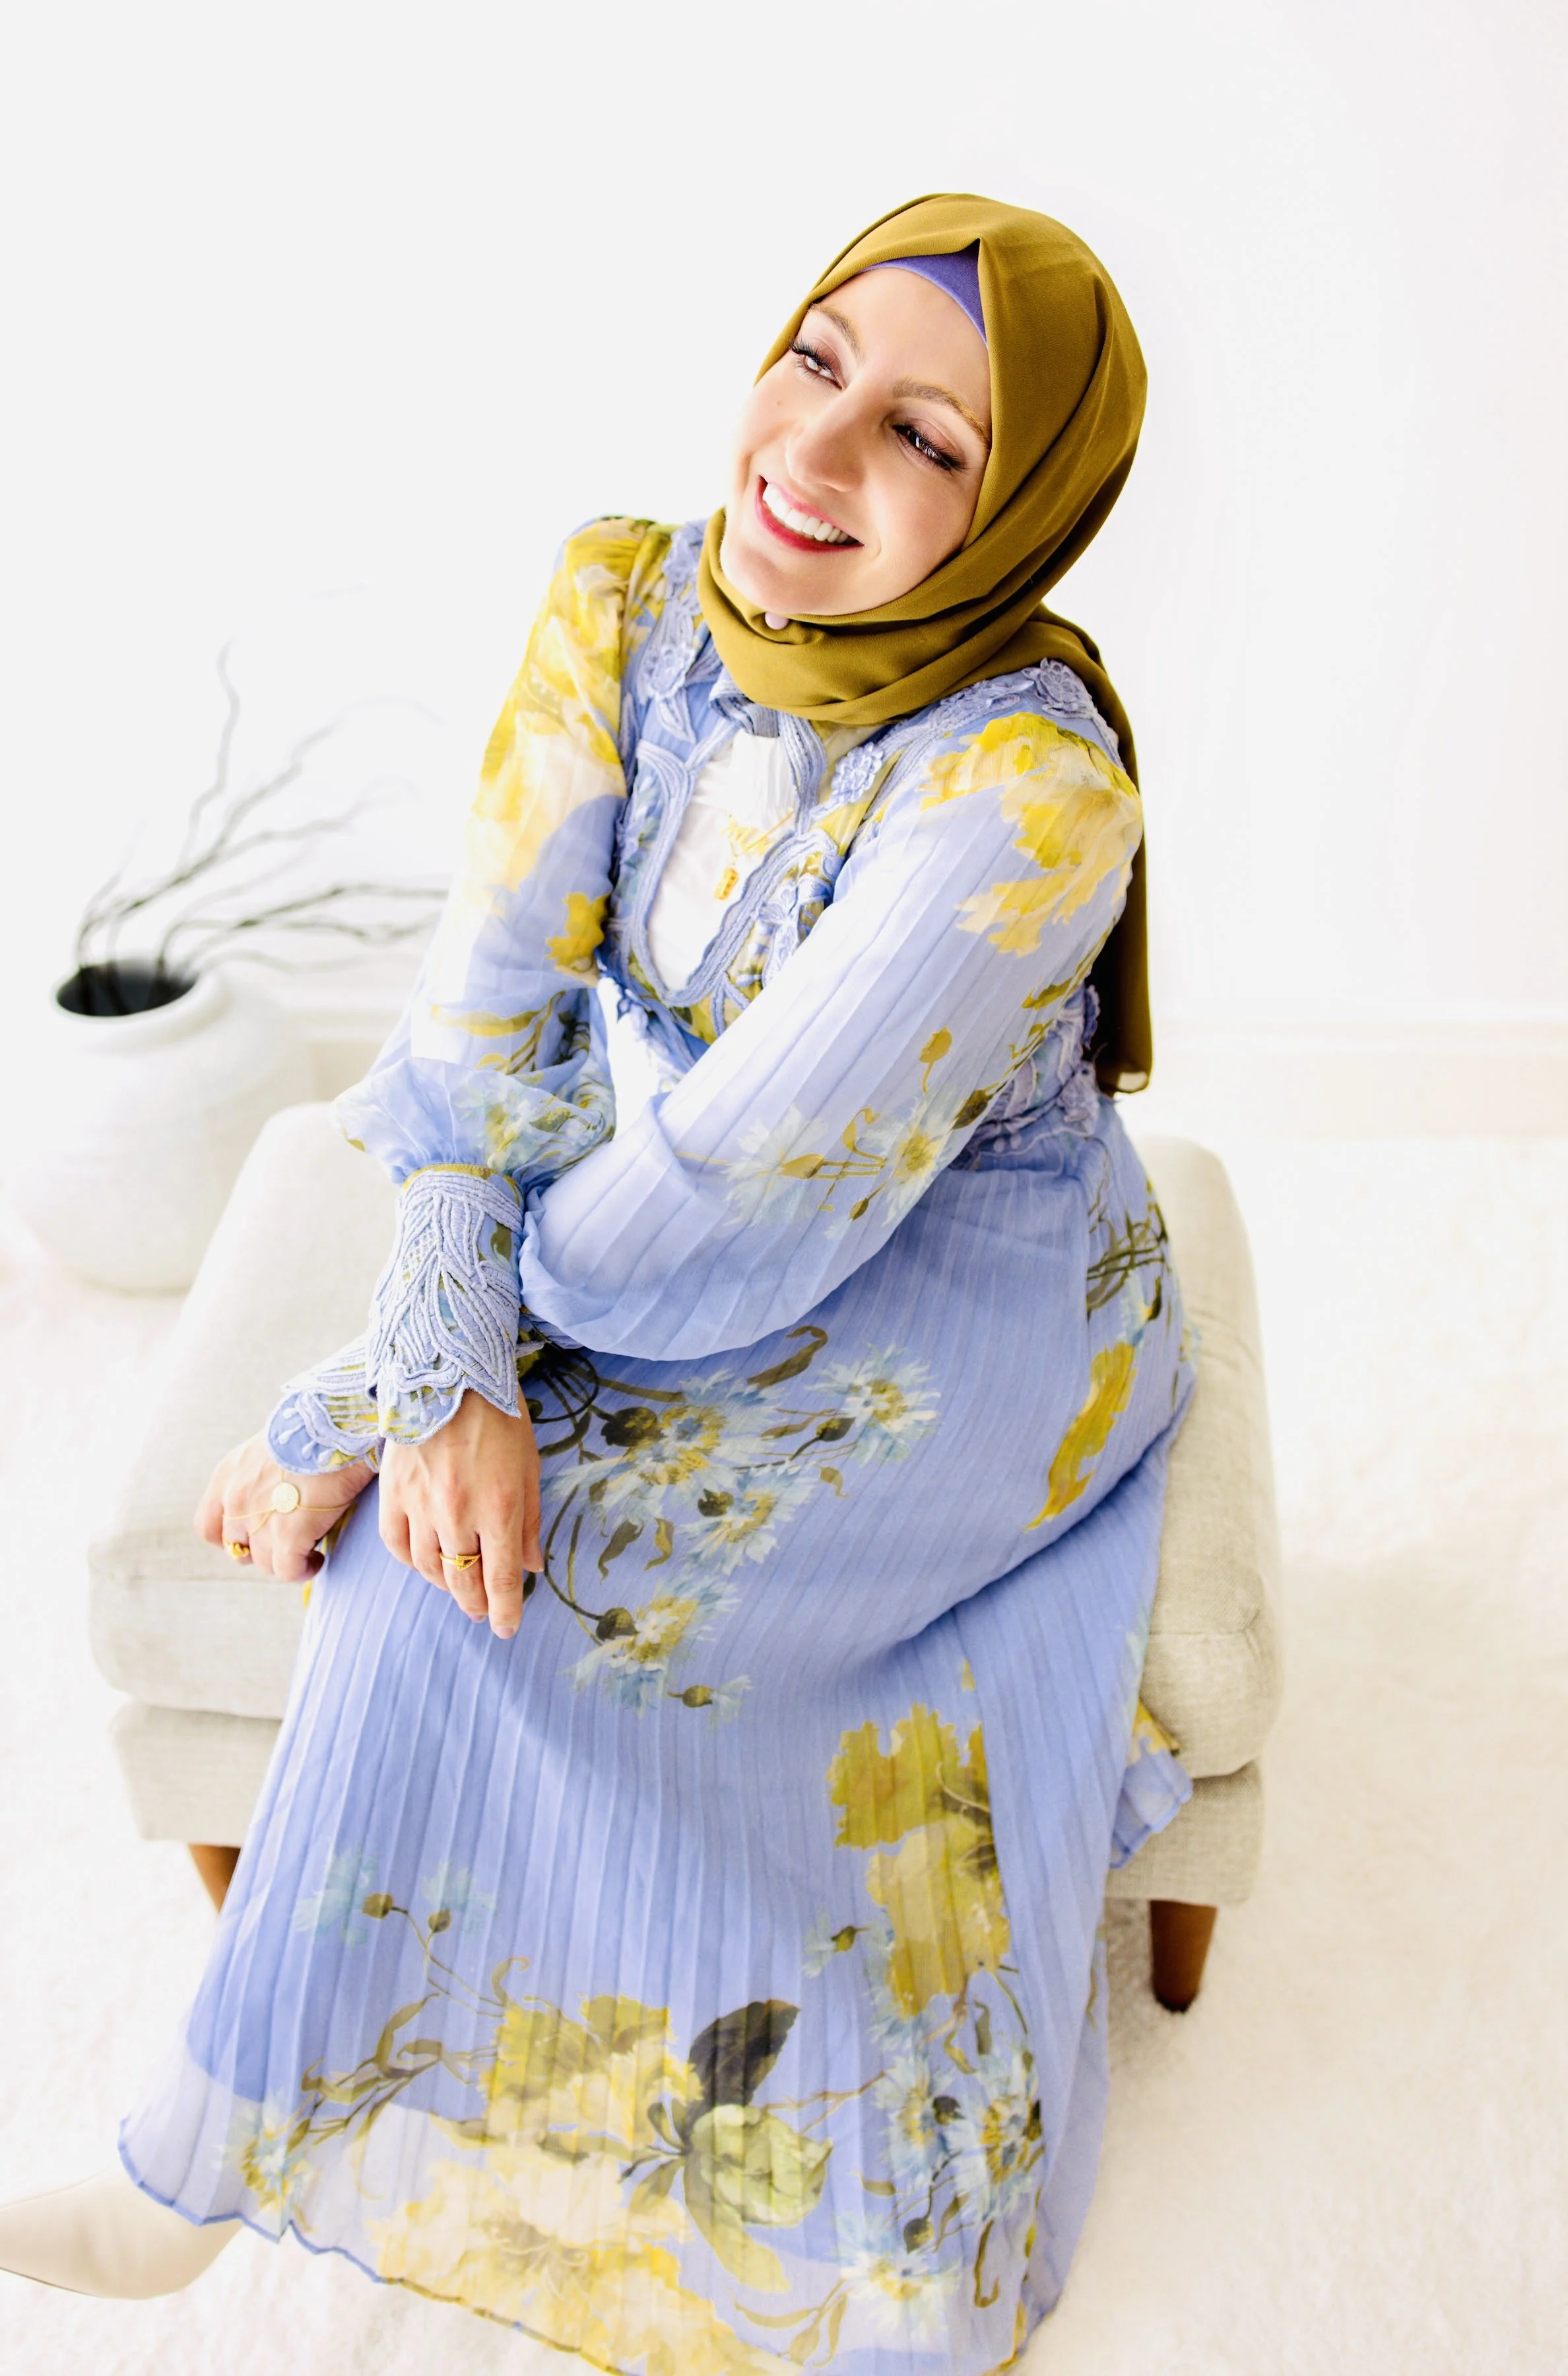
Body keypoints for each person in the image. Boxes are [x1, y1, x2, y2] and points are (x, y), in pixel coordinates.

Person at [0, 195, 1194, 2368]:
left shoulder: (1032, 791)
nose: (815, 453)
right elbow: (487, 1016)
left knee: (505, 1578)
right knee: (436, 1560)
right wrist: (439, 1349)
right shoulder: (623, 597)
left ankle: (882, 2233)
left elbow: (742, 1205)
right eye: (819, 360)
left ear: (1019, 507)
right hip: (635, 1225)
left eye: (928, 438)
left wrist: (384, 1388)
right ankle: (208, 2155)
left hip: (973, 1312)